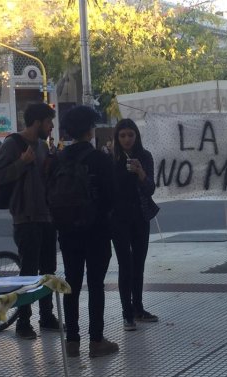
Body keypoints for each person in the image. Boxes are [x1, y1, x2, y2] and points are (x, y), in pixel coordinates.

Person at [47, 105, 119, 358]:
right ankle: (97, 341)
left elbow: (49, 195)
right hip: (96, 230)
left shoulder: (58, 159)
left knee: (72, 283)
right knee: (96, 284)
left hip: (67, 231)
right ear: (90, 131)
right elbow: (112, 196)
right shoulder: (100, 159)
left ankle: (72, 340)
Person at [0, 103, 61, 339]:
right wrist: (22, 163)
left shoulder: (41, 145)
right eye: (49, 122)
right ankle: (24, 322)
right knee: (28, 272)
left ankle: (47, 316)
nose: (51, 127)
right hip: (26, 218)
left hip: (46, 215)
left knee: (48, 269)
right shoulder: (13, 144)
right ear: (37, 122)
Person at [111, 119, 159, 331]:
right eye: (122, 135)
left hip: (140, 215)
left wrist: (140, 172)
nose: (127, 139)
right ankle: (126, 313)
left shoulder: (145, 156)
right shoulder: (111, 158)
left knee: (138, 264)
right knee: (125, 265)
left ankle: (138, 307)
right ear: (117, 137)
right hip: (118, 218)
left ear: (136, 136)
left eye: (130, 135)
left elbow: (150, 189)